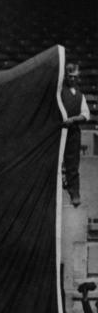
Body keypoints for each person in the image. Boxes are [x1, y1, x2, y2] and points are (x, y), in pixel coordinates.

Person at [61, 62, 91, 207]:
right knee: (56, 162)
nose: (72, 79)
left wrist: (73, 119)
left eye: (74, 76)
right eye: (69, 76)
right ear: (65, 76)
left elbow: (86, 115)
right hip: (59, 132)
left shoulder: (80, 95)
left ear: (78, 77)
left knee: (73, 164)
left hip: (73, 133)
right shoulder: (59, 92)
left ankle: (74, 192)